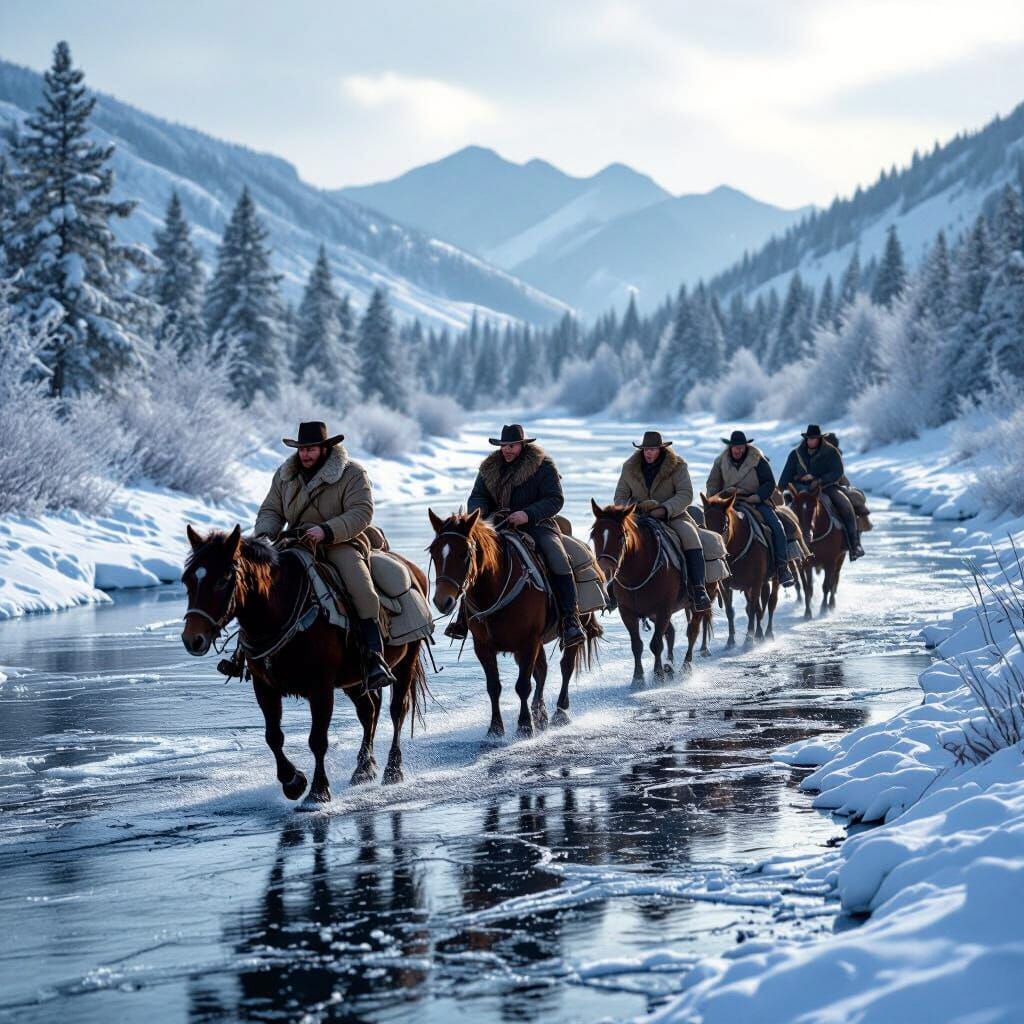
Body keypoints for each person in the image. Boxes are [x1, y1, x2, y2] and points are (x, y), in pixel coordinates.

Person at [253, 421, 395, 689]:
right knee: (257, 586)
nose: (305, 454)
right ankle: (245, 654)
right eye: (301, 449)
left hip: (339, 542)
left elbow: (361, 511)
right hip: (295, 542)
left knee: (363, 591)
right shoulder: (285, 475)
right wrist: (264, 534)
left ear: (325, 448)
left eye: (311, 449)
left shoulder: (352, 473)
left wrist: (327, 530)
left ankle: (374, 657)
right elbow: (271, 509)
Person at [445, 424, 585, 648]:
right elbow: (477, 497)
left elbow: (555, 499)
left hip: (537, 525)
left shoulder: (543, 466)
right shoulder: (489, 468)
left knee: (558, 558)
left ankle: (570, 619)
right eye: (504, 445)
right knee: (472, 557)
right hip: (496, 525)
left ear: (522, 445)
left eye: (511, 445)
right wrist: (484, 515)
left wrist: (527, 514)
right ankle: (463, 618)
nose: (507, 450)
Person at [613, 430, 711, 610]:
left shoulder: (678, 466)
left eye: (652, 449)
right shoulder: (629, 468)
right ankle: (613, 588)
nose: (648, 452)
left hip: (672, 516)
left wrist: (665, 509)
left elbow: (685, 494)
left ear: (661, 449)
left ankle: (698, 589)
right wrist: (636, 508)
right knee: (615, 538)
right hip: (638, 517)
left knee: (691, 537)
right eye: (645, 449)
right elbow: (620, 496)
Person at [706, 430, 796, 587]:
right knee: (708, 528)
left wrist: (757, 496)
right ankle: (708, 571)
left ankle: (782, 568)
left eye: (741, 447)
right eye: (735, 447)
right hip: (728, 503)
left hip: (755, 501)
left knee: (777, 526)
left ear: (746, 446)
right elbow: (712, 484)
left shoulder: (757, 459)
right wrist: (714, 500)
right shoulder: (720, 461)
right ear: (730, 447)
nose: (738, 450)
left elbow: (769, 482)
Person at [778, 424, 864, 560]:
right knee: (784, 513)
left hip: (827, 487)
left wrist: (818, 479)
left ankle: (854, 545)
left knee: (845, 505)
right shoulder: (796, 454)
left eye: (814, 438)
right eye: (809, 438)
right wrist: (779, 490)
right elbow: (786, 474)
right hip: (801, 489)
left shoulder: (831, 452)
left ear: (819, 439)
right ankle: (786, 550)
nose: (811, 441)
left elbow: (837, 472)